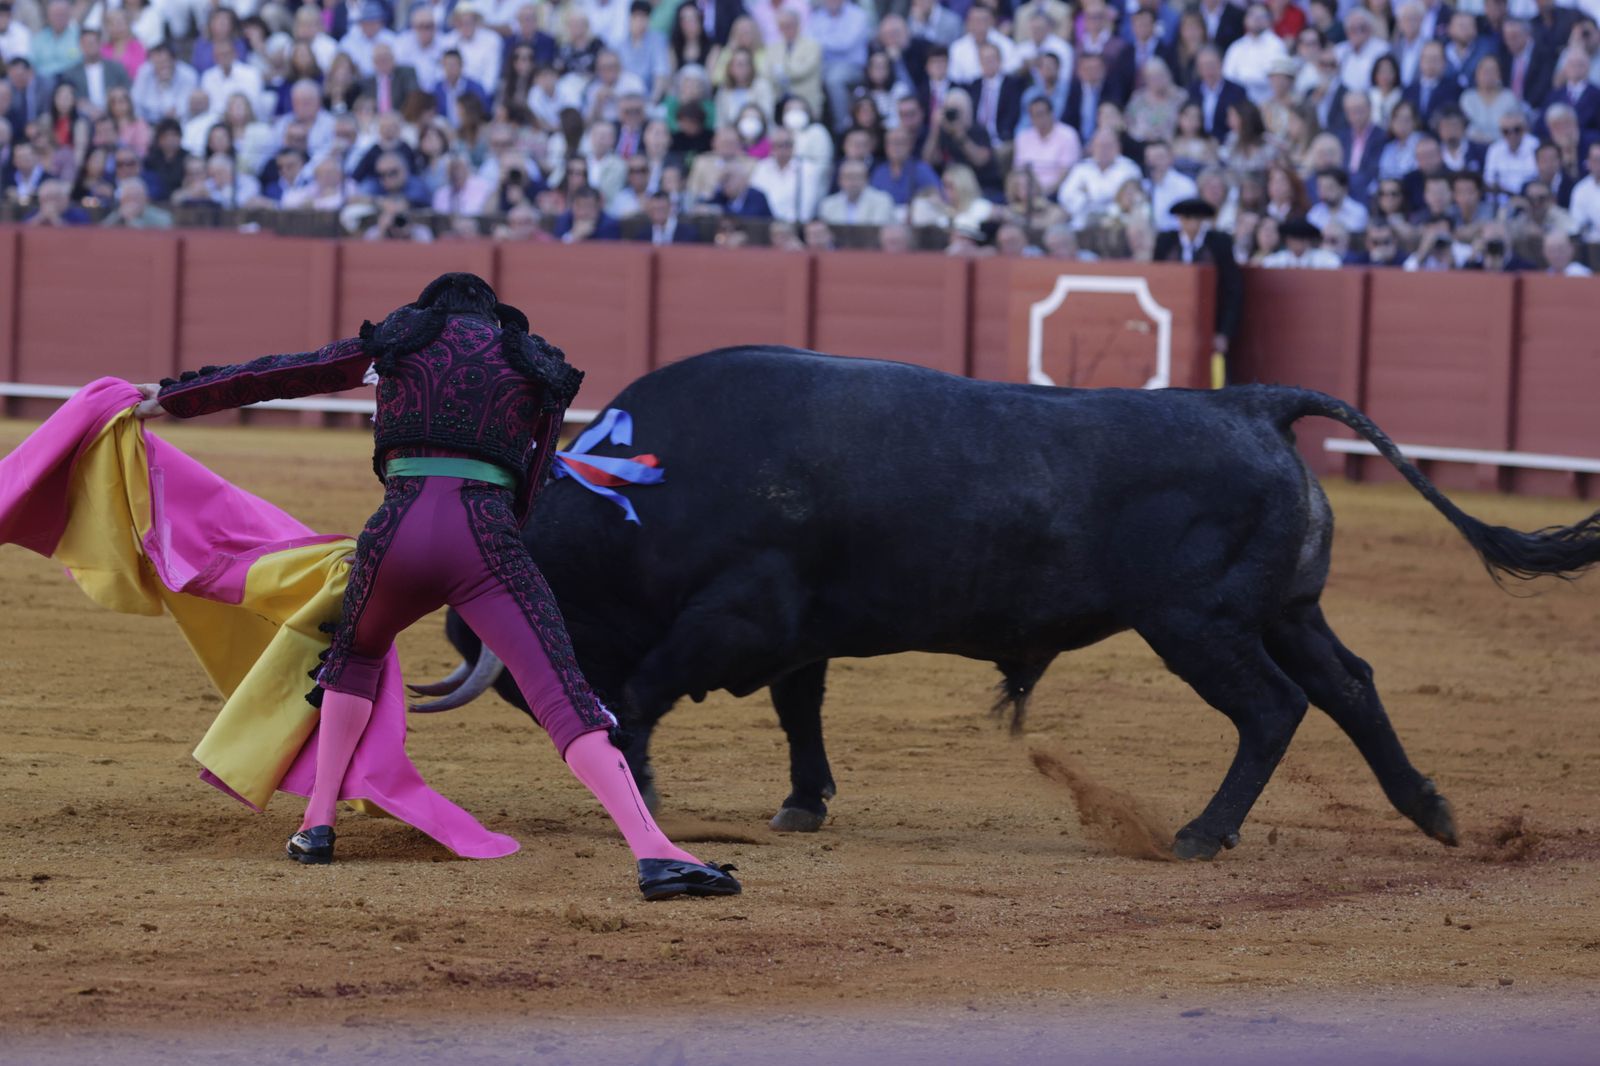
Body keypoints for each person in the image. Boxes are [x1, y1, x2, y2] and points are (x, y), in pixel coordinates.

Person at [131, 274, 741, 901]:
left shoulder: (401, 340)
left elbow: (289, 373)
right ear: (495, 316)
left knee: (353, 657)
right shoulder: (532, 360)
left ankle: (316, 825)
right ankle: (653, 853)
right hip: (484, 532)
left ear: (428, 311)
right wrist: (497, 546)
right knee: (563, 696)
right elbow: (531, 480)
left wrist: (175, 396)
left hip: (393, 529)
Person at [1153, 198, 1242, 374]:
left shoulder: (1220, 243)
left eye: (1196, 219)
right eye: (1187, 218)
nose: (1191, 224)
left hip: (1210, 320)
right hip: (1172, 321)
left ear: (1202, 221)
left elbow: (1231, 289)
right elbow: (1158, 283)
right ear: (1180, 220)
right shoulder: (1165, 241)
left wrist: (1223, 331)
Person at [1259, 214, 1342, 267]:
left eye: (1301, 238)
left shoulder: (1326, 260)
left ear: (1308, 240)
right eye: (1293, 237)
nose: (1297, 242)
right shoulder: (1275, 262)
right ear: (1287, 240)